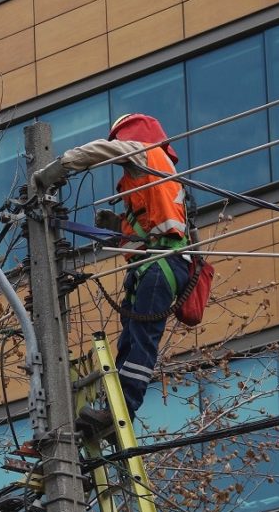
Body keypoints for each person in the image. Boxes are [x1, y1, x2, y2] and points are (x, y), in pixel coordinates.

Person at [33, 113, 190, 431]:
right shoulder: (154, 176)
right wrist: (117, 224)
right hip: (154, 264)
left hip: (163, 264)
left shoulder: (146, 153)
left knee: (141, 340)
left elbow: (104, 152)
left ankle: (123, 411)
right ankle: (114, 408)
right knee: (131, 341)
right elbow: (149, 227)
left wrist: (64, 164)